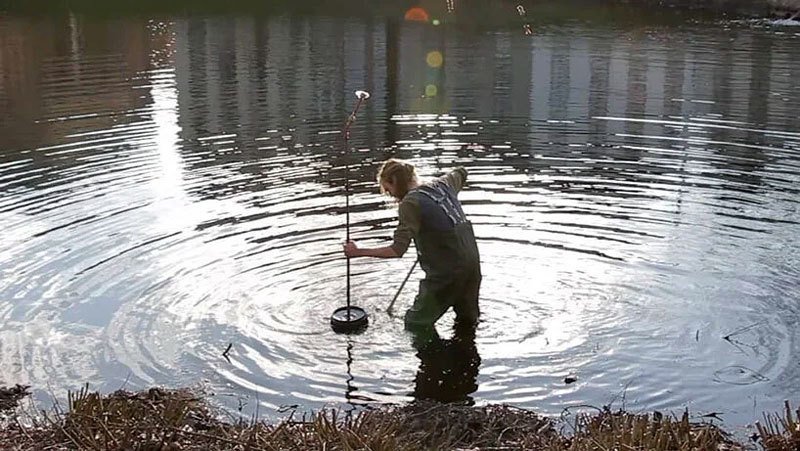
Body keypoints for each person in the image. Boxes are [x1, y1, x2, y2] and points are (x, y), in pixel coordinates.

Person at [343, 159, 481, 330]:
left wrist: (357, 251)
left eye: (388, 189)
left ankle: (431, 356)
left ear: (395, 181)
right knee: (467, 321)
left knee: (415, 324)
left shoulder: (410, 203)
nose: (390, 194)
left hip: (447, 272)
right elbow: (461, 171)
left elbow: (396, 250)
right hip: (472, 264)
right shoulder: (443, 184)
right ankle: (464, 354)